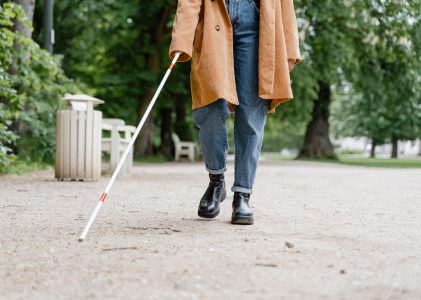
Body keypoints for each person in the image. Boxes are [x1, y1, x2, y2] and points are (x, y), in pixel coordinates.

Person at [169, 0, 301, 225]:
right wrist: (182, 38)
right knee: (208, 106)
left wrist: (289, 47)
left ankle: (242, 194)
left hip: (256, 27)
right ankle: (216, 180)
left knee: (251, 116)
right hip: (213, 24)